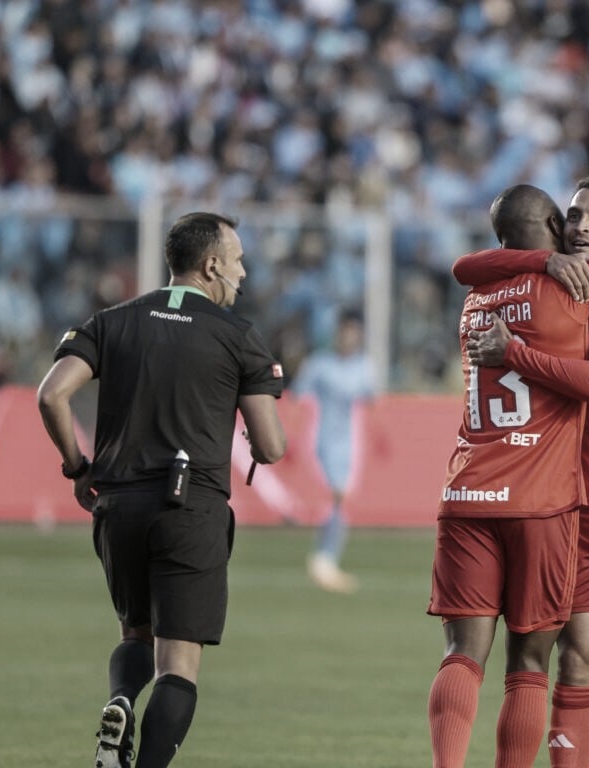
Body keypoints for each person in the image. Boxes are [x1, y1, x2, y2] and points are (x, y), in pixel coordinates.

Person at [427, 183, 589, 768]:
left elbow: (464, 264)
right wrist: (550, 265)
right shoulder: (571, 288)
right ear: (550, 225)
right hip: (547, 502)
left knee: (461, 655)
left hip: (473, 488)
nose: (579, 229)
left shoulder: (477, 297)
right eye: (569, 218)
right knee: (538, 665)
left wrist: (533, 272)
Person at [36, 212, 287, 768]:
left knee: (135, 635)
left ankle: (121, 700)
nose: (243, 273)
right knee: (178, 664)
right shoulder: (237, 336)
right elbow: (270, 448)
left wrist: (78, 469)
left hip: (117, 505)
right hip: (188, 507)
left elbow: (52, 396)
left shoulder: (111, 320)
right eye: (238, 260)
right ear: (212, 264)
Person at [291, 306, 376, 593]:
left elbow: (372, 401)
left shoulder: (364, 366)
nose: (348, 337)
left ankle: (325, 558)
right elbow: (299, 400)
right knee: (334, 496)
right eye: (345, 331)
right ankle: (325, 559)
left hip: (349, 443)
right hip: (320, 439)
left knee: (340, 500)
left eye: (354, 332)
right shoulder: (319, 364)